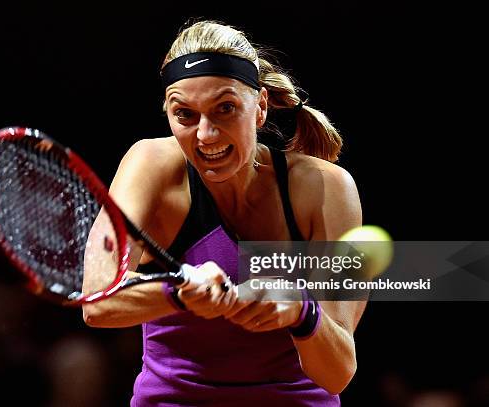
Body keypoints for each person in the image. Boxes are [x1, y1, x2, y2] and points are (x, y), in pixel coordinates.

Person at [82, 20, 365, 406]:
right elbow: (96, 301)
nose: (205, 135)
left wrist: (302, 311)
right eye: (185, 114)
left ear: (261, 107)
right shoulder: (149, 164)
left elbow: (337, 373)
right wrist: (180, 292)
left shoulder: (327, 187)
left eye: (225, 108)